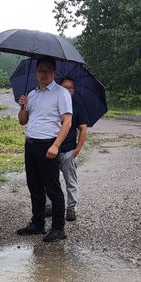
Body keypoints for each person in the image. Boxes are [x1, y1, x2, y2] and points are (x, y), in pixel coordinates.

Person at [16, 57, 73, 242]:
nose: (44, 73)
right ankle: (38, 223)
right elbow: (23, 121)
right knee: (34, 185)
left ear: (54, 72)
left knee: (52, 188)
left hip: (48, 144)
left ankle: (58, 228)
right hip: (31, 143)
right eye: (41, 70)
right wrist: (22, 106)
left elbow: (67, 121)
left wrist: (56, 145)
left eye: (48, 70)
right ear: (36, 72)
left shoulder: (61, 93)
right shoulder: (32, 94)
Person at [56, 77, 89, 221]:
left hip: (69, 150)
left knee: (71, 181)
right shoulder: (54, 104)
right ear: (59, 88)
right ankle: (49, 206)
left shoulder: (78, 106)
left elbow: (83, 129)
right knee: (50, 181)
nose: (68, 90)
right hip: (51, 149)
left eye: (71, 88)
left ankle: (71, 208)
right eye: (65, 87)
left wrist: (77, 150)